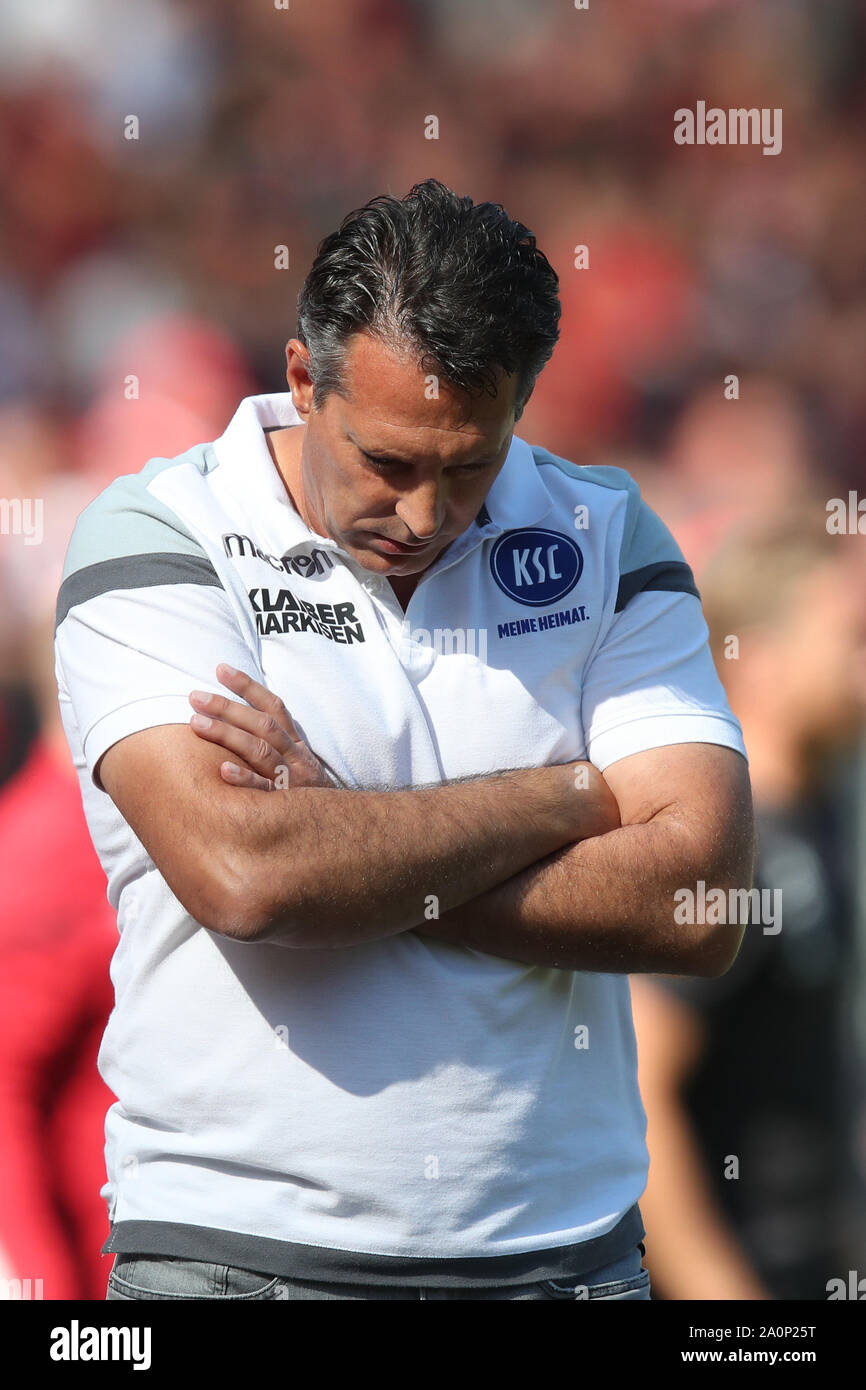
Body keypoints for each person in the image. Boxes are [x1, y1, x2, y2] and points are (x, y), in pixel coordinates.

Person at [54, 178, 752, 1302]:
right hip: (239, 1259)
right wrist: (570, 795)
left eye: (467, 464)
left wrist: (345, 828)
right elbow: (249, 876)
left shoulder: (604, 533)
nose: (426, 515)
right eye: (388, 462)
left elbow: (698, 903)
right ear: (300, 381)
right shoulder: (159, 534)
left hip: (564, 1261)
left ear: (521, 405)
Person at [631, 517, 866, 1300]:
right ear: (758, 659)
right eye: (851, 635)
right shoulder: (730, 849)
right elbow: (641, 1086)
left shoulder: (824, 812)